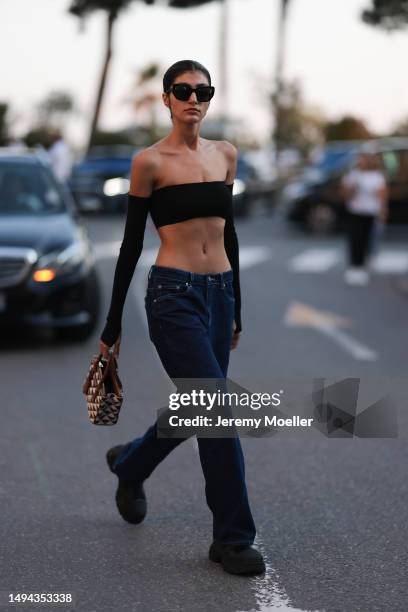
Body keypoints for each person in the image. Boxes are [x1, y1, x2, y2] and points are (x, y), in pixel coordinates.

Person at [98, 60, 265, 576]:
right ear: (166, 99)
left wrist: (235, 304)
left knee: (201, 403)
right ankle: (233, 539)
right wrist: (112, 327)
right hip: (174, 296)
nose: (194, 98)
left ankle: (132, 463)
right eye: (183, 90)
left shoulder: (225, 155)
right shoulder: (149, 162)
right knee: (217, 410)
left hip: (218, 295)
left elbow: (228, 234)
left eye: (203, 90)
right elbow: (130, 246)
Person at [341, 148, 388, 285]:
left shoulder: (377, 177)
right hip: (356, 213)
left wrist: (383, 212)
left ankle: (363, 266)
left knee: (368, 240)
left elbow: (382, 197)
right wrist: (352, 188)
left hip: (370, 213)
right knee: (355, 240)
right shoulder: (352, 176)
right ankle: (354, 267)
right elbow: (345, 196)